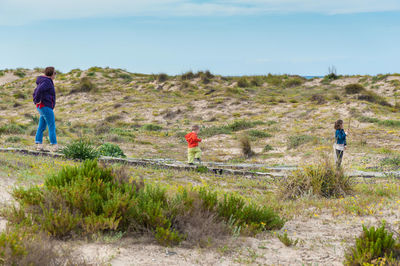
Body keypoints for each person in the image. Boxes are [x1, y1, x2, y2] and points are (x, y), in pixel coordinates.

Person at [32, 67, 57, 152]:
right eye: (55, 73)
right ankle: (54, 146)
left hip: (42, 107)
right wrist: (37, 100)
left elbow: (38, 90)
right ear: (51, 74)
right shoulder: (47, 81)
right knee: (51, 126)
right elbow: (39, 90)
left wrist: (37, 102)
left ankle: (39, 145)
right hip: (45, 106)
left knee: (42, 126)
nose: (55, 74)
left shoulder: (43, 80)